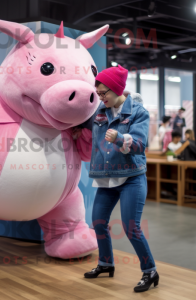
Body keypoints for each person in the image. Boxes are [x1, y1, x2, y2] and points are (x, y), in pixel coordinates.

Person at [73, 64, 159, 293]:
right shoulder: (99, 112)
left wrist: (120, 138)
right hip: (106, 179)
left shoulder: (139, 112)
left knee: (132, 227)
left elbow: (140, 146)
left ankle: (150, 270)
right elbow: (79, 120)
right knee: (98, 223)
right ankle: (105, 263)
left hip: (132, 177)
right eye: (98, 93)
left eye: (104, 93)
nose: (100, 97)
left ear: (117, 89)